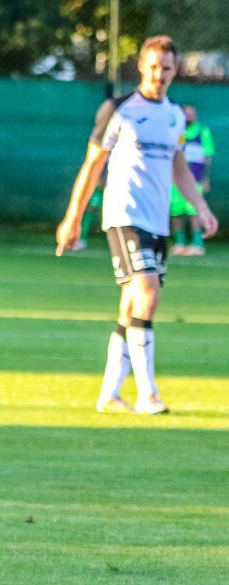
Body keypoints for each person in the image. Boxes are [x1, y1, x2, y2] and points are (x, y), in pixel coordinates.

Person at [56, 36, 218, 415]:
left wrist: (201, 207)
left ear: (175, 70)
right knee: (148, 293)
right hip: (125, 215)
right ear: (141, 67)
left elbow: (179, 166)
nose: (159, 74)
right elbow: (93, 164)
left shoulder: (175, 116)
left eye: (166, 68)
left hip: (157, 221)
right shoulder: (119, 109)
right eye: (153, 67)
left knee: (131, 306)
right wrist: (73, 218)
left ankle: (110, 394)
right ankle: (149, 394)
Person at [170, 104, 214, 256]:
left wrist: (205, 179)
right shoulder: (177, 131)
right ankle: (179, 243)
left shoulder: (202, 131)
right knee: (175, 212)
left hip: (195, 180)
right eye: (186, 114)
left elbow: (207, 157)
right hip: (175, 182)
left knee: (195, 212)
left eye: (192, 114)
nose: (189, 117)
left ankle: (197, 243)